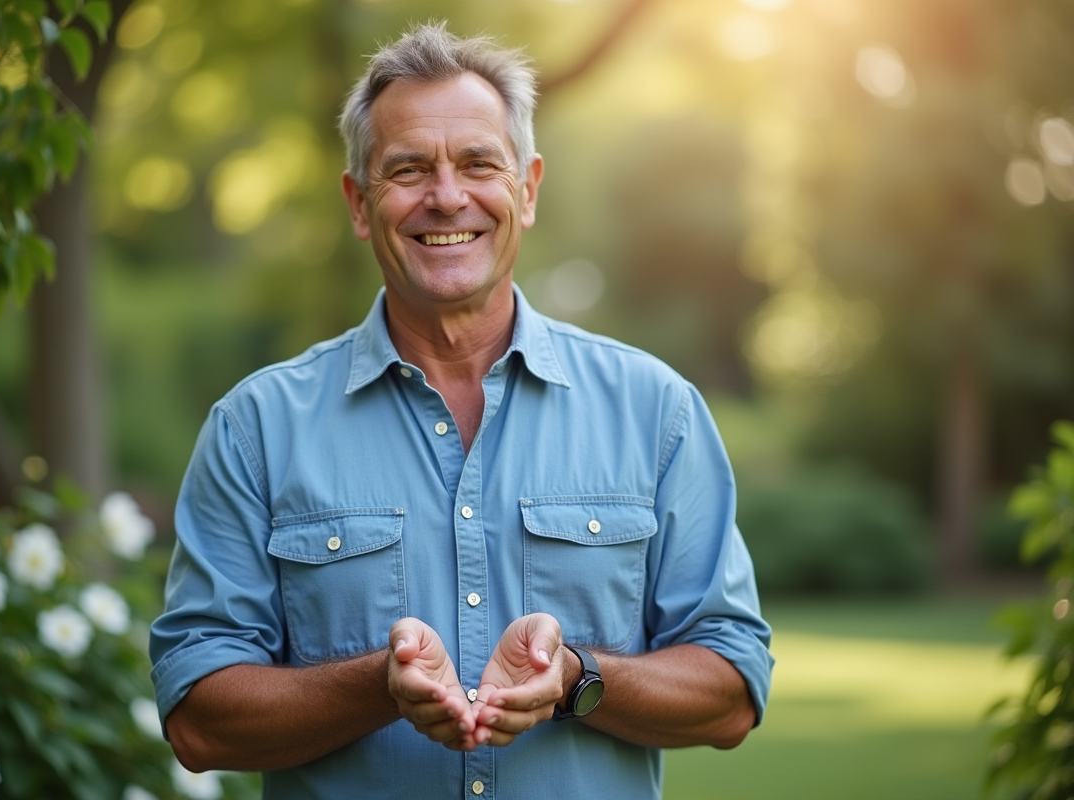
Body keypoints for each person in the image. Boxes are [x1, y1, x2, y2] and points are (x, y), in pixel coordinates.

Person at [150, 21, 773, 800]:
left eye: (479, 163)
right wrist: (381, 686)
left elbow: (733, 691)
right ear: (357, 201)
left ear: (529, 189)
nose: (447, 197)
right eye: (408, 169)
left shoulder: (657, 412)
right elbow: (199, 721)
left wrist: (577, 678)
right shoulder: (255, 430)